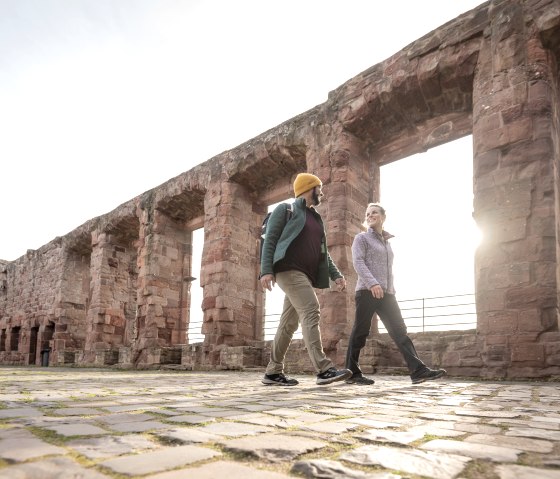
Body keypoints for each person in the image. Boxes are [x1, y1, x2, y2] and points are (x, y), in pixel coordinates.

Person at [260, 173, 352, 386]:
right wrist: (266, 270)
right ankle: (324, 369)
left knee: (288, 324)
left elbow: (323, 253)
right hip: (287, 269)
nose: (322, 192)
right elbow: (269, 240)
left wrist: (336, 274)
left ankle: (272, 372)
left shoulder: (316, 218)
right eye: (319, 187)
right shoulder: (286, 209)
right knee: (311, 309)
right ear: (309, 188)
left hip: (305, 275)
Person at [345, 203, 447, 385]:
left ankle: (418, 370)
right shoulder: (361, 238)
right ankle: (352, 373)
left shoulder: (387, 243)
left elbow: (388, 270)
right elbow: (358, 262)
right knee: (360, 331)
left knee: (400, 331)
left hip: (387, 294)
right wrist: (372, 283)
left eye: (374, 212)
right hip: (367, 291)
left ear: (383, 216)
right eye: (367, 213)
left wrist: (390, 288)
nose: (370, 216)